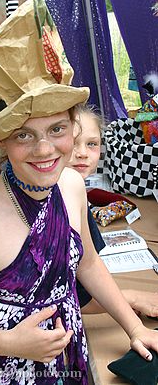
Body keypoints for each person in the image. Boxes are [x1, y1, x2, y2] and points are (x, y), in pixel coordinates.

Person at [0, 0, 158, 385]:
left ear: (74, 128)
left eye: (57, 129)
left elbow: (88, 265)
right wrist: (7, 342)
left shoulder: (72, 186)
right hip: (4, 368)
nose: (44, 151)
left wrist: (134, 327)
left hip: (72, 357)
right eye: (24, 135)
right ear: (1, 144)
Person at [68, 104, 158, 317]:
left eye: (92, 144)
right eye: (73, 144)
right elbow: (70, 298)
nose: (82, 153)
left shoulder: (76, 193)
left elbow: (87, 271)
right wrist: (132, 298)